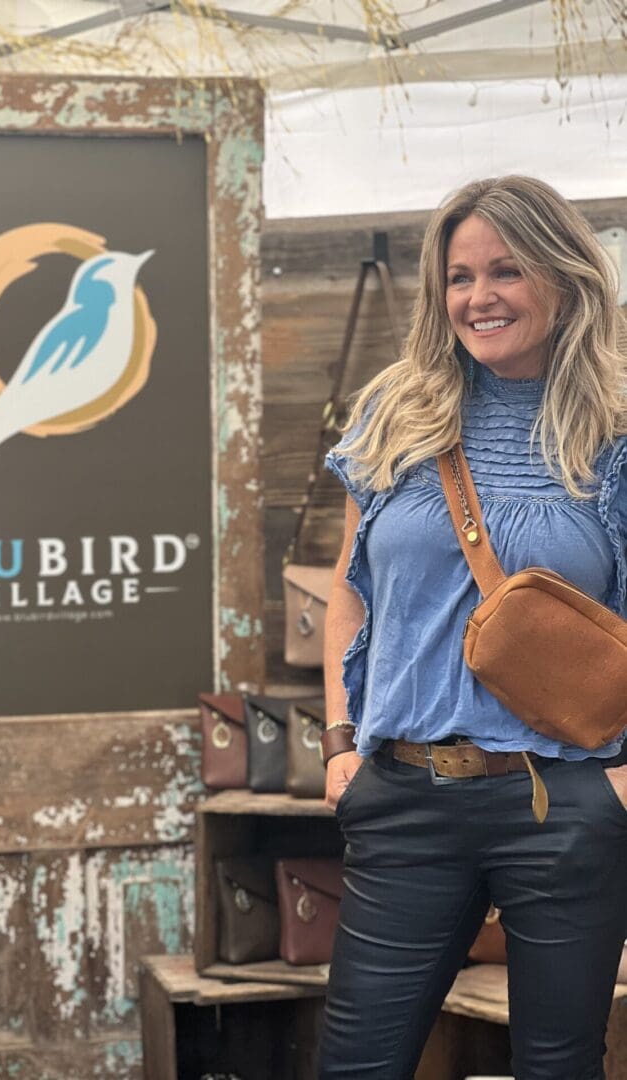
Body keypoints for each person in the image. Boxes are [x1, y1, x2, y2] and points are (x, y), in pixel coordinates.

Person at [318, 175, 627, 1080]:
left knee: (556, 1066)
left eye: (506, 271)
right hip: (405, 797)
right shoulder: (399, 412)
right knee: (359, 1063)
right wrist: (339, 743)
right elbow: (349, 592)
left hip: (564, 803)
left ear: (564, 279)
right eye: (459, 277)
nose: (479, 298)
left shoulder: (612, 430)